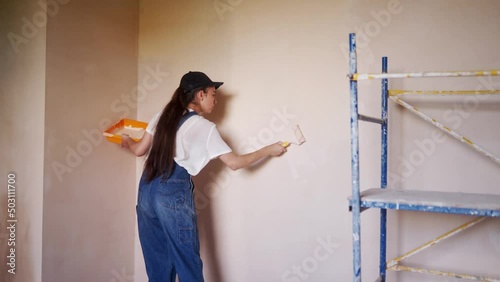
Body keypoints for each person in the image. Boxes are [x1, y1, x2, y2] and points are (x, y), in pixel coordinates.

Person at [120, 71, 286, 282]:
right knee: (187, 263)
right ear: (200, 95)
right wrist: (268, 150)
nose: (215, 100)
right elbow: (235, 163)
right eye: (213, 94)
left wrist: (125, 140)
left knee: (158, 264)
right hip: (171, 194)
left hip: (146, 191)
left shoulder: (162, 115)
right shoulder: (204, 127)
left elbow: (139, 150)